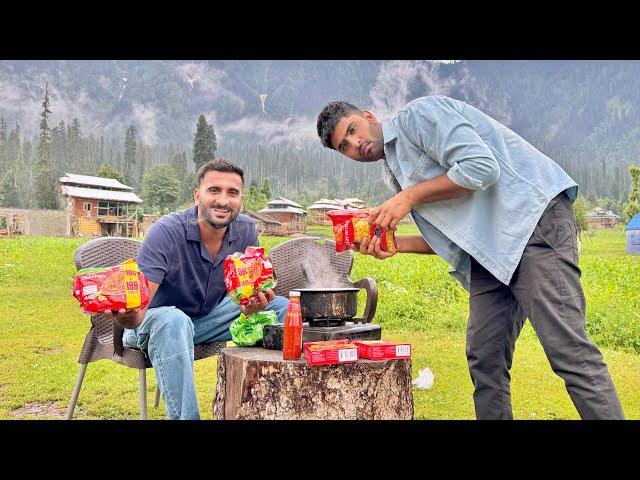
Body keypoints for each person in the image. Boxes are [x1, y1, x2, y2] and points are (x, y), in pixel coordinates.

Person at [316, 96, 624, 420]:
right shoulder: (396, 171)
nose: (355, 143)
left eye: (353, 130)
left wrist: (407, 197)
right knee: (485, 358)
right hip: (490, 253)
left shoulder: (416, 118)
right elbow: (454, 240)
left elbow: (481, 166)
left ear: (368, 116)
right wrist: (396, 245)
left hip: (531, 222)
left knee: (568, 352)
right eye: (344, 146)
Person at [106, 158, 289, 420]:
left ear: (241, 198)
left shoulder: (246, 230)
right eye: (214, 190)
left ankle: (270, 410)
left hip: (208, 318)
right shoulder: (166, 232)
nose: (223, 201)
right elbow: (137, 314)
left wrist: (251, 304)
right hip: (155, 324)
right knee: (174, 321)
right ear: (197, 195)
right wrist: (124, 315)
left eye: (232, 193)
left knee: (281, 308)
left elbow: (248, 292)